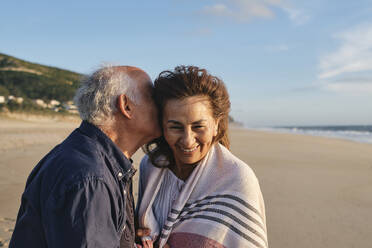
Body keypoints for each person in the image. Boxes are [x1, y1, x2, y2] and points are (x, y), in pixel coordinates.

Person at [9, 65, 160, 248]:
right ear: (126, 106)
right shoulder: (91, 179)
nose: (162, 106)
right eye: (153, 97)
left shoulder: (89, 157)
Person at [136, 65, 268, 248]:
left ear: (216, 124)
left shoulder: (237, 179)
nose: (188, 141)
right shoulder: (151, 167)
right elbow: (142, 228)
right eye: (175, 127)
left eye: (198, 127)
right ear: (162, 126)